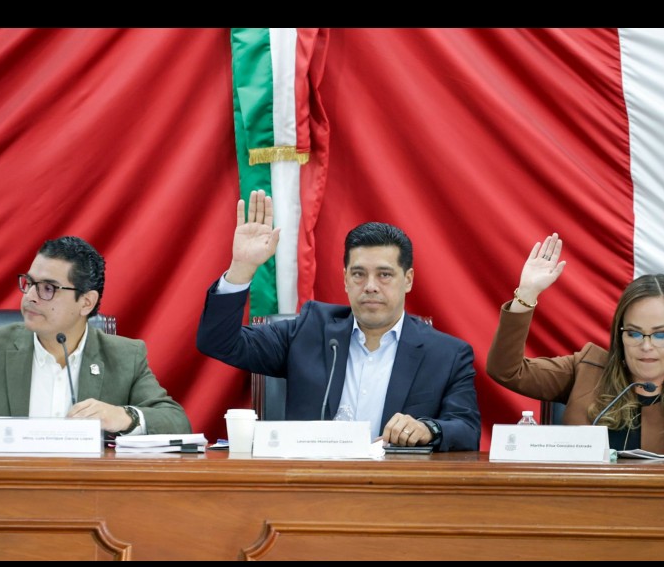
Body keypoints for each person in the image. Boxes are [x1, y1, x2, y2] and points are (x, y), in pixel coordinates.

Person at [196, 190, 480, 451]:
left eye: (384, 275)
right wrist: (242, 268)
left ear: (408, 279)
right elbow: (219, 342)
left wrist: (429, 428)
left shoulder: (447, 354)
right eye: (358, 274)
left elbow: (467, 429)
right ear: (345, 279)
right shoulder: (309, 330)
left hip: (395, 484)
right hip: (312, 481)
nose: (370, 286)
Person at [0, 236, 192, 444]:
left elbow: (176, 422)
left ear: (86, 302)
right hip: (3, 494)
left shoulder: (124, 356)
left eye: (48, 288)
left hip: (89, 496)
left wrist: (123, 417)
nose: (30, 296)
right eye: (29, 283)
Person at [486, 232, 664, 456]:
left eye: (660, 335)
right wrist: (526, 294)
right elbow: (506, 370)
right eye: (634, 333)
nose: (646, 346)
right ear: (620, 335)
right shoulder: (587, 370)